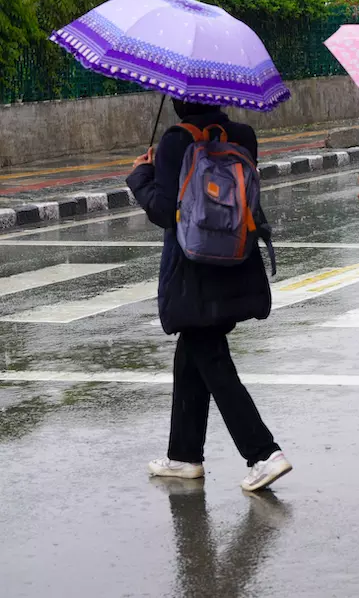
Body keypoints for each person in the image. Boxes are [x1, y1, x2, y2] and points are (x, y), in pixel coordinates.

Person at [127, 99, 292, 492]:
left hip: (192, 268)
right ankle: (183, 456)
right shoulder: (242, 136)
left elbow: (166, 212)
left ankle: (264, 453)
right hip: (235, 259)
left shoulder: (174, 142)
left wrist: (142, 176)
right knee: (194, 352)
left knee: (211, 357)